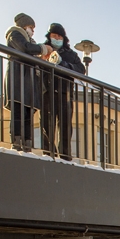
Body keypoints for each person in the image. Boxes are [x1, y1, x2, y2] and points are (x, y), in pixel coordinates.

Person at [4, 13, 52, 151]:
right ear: (24, 25)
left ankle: (27, 143)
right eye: (31, 27)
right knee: (19, 111)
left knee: (27, 114)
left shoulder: (29, 41)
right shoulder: (15, 34)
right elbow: (24, 49)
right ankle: (18, 141)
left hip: (28, 83)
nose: (33, 30)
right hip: (19, 79)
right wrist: (43, 49)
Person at [41, 23, 85, 160]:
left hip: (65, 93)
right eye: (54, 36)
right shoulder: (43, 50)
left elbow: (81, 70)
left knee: (65, 125)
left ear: (63, 38)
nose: (57, 38)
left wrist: (63, 64)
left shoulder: (70, 55)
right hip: (46, 92)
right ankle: (48, 154)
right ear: (49, 37)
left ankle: (65, 155)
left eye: (59, 36)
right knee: (47, 125)